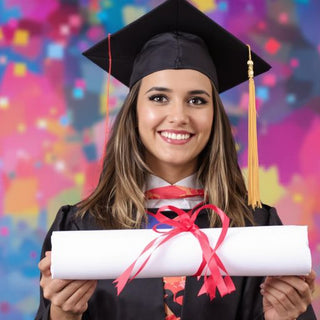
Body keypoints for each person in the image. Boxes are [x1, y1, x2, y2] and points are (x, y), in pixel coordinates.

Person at [36, 0, 317, 319]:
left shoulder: (257, 229)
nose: (178, 115)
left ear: (215, 116)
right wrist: (63, 312)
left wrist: (283, 317)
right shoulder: (80, 228)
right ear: (134, 112)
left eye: (197, 100)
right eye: (159, 98)